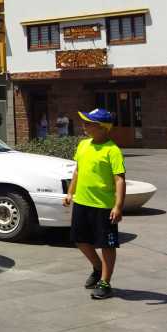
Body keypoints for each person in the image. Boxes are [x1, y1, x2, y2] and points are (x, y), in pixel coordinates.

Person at [62, 108, 126, 299]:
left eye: (89, 123)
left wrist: (118, 206)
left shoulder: (112, 150)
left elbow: (119, 180)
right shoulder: (83, 145)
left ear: (103, 128)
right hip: (82, 202)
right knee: (80, 240)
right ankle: (98, 267)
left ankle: (105, 282)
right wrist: (70, 193)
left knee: (107, 244)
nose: (84, 126)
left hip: (103, 206)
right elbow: (78, 171)